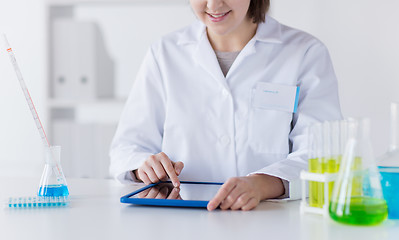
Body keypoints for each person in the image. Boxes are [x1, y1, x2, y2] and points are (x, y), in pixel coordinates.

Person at [109, 0, 342, 211]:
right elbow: (127, 147)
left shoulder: (305, 53)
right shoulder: (164, 53)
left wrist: (261, 185)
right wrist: (143, 166)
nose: (213, 4)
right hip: (181, 220)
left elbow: (322, 153)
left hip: (269, 218)